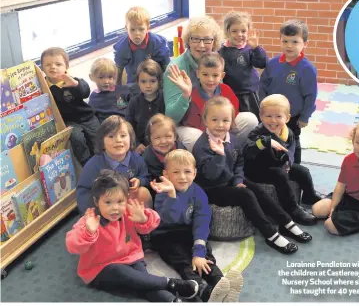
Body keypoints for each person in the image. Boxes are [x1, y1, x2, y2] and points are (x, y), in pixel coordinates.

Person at [193, 96, 312, 254]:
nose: (220, 125)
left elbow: (239, 162)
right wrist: (220, 156)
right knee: (246, 195)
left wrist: (237, 180)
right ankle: (270, 233)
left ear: (231, 122)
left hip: (230, 181)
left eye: (225, 120)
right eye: (215, 120)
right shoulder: (201, 146)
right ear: (205, 121)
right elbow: (211, 175)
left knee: (258, 190)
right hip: (212, 188)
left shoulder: (233, 140)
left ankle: (286, 222)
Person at [66, 169, 198, 302]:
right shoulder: (89, 220)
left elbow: (152, 223)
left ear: (127, 198)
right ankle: (169, 283)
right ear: (96, 201)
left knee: (143, 282)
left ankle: (173, 301)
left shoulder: (128, 211)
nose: (115, 208)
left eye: (120, 201)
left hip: (131, 257)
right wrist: (89, 232)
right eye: (108, 202)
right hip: (101, 268)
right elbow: (72, 246)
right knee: (120, 271)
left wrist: (144, 219)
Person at [150, 149, 244, 302]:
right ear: (166, 174)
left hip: (187, 231)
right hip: (165, 234)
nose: (182, 177)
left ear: (194, 173)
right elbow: (170, 219)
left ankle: (220, 283)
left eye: (187, 171)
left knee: (204, 255)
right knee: (182, 259)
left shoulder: (198, 192)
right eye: (176, 172)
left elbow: (202, 219)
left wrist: (198, 252)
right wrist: (172, 196)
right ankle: (203, 291)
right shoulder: (163, 192)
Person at [163, 16, 257, 152]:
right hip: (187, 125)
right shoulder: (176, 68)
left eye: (207, 39)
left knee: (250, 120)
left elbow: (224, 99)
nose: (201, 45)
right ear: (188, 41)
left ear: (214, 41)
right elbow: (171, 118)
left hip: (215, 120)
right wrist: (185, 95)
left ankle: (232, 157)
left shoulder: (215, 61)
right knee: (197, 138)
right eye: (195, 39)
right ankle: (202, 169)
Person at [243, 94, 322, 226]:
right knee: (279, 175)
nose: (273, 121)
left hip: (279, 165)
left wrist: (289, 163)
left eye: (278, 116)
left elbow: (292, 149)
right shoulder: (257, 132)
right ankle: (292, 208)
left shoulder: (288, 132)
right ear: (261, 116)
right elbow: (248, 151)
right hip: (258, 169)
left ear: (287, 118)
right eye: (268, 116)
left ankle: (309, 196)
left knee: (302, 171)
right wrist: (265, 142)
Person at [259, 19, 318, 164]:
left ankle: (293, 167)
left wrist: (305, 117)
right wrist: (262, 108)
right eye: (285, 41)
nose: (289, 46)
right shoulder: (272, 64)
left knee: (292, 142)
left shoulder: (307, 69)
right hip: (271, 114)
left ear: (305, 44)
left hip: (293, 117)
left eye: (294, 42)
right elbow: (262, 85)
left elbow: (310, 96)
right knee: (271, 139)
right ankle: (273, 165)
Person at [76, 115, 152, 215]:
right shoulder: (93, 165)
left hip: (128, 204)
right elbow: (83, 191)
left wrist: (140, 181)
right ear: (102, 142)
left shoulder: (136, 159)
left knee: (143, 192)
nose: (118, 140)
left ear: (131, 138)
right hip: (106, 210)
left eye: (123, 135)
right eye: (111, 136)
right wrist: (92, 213)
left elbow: (146, 177)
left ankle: (145, 224)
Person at [312, 118, 359, 236]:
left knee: (330, 226)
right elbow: (341, 185)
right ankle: (339, 214)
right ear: (353, 141)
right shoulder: (349, 160)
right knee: (317, 210)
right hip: (347, 197)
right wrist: (333, 207)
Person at [41, 47, 100, 166]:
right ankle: (87, 163)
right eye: (48, 64)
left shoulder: (72, 81)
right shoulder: (43, 86)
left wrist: (75, 84)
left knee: (97, 137)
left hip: (86, 116)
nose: (53, 67)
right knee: (76, 138)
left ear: (66, 67)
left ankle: (101, 158)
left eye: (58, 64)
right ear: (42, 68)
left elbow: (85, 91)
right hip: (68, 121)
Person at [219, 11, 267, 118]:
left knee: (254, 119)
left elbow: (262, 63)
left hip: (250, 93)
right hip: (231, 94)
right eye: (234, 31)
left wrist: (256, 48)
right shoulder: (221, 51)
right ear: (227, 32)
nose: (239, 34)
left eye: (243, 31)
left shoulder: (249, 48)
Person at [114, 6, 171, 95]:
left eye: (141, 29)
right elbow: (117, 75)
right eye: (132, 29)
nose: (137, 34)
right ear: (126, 29)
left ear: (148, 28)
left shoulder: (158, 43)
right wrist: (118, 95)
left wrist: (167, 89)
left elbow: (167, 69)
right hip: (134, 86)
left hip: (156, 84)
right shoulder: (122, 47)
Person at [126, 59, 166, 154]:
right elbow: (128, 126)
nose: (148, 85)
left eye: (152, 81)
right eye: (143, 82)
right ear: (138, 82)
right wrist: (136, 143)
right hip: (141, 147)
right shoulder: (134, 102)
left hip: (163, 143)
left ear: (159, 81)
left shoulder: (165, 99)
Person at [143, 113, 186, 183]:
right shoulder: (148, 158)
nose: (163, 141)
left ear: (175, 136)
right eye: (157, 138)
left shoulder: (181, 149)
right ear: (150, 140)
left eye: (168, 136)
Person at [88, 58, 131, 124]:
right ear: (92, 77)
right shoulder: (93, 97)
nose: (106, 81)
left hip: (126, 124)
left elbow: (133, 106)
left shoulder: (123, 90)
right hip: (108, 128)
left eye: (110, 77)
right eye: (101, 77)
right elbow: (92, 116)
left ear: (115, 77)